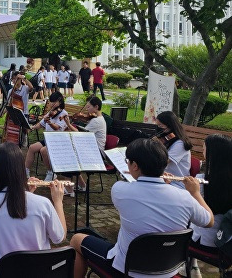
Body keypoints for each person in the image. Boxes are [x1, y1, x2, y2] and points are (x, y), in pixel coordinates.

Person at [70, 138, 214, 278]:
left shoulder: (120, 190)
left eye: (128, 162)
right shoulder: (184, 197)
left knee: (76, 239)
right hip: (167, 270)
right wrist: (194, 192)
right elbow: (209, 221)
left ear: (135, 166)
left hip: (126, 269)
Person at [0, 142, 66, 278]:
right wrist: (58, 201)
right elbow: (59, 237)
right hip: (38, 273)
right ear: (20, 169)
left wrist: (25, 193)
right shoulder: (43, 204)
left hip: (0, 273)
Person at [189, 134, 232, 278]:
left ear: (213, 154)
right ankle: (192, 266)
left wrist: (193, 192)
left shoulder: (202, 181)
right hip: (226, 241)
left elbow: (192, 212)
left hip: (207, 243)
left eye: (204, 148)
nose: (202, 151)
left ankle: (189, 265)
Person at [26, 91, 77, 181]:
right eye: (50, 102)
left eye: (53, 102)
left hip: (57, 140)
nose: (51, 104)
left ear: (60, 102)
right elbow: (41, 124)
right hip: (48, 139)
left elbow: (56, 127)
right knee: (31, 148)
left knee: (43, 150)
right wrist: (32, 127)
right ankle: (26, 171)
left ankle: (51, 172)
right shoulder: (51, 112)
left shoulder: (63, 114)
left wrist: (49, 122)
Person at [155, 111, 192, 189]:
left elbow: (163, 161)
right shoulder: (167, 138)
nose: (159, 129)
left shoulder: (180, 144)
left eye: (161, 126)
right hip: (164, 178)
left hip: (176, 182)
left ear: (170, 125)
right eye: (157, 125)